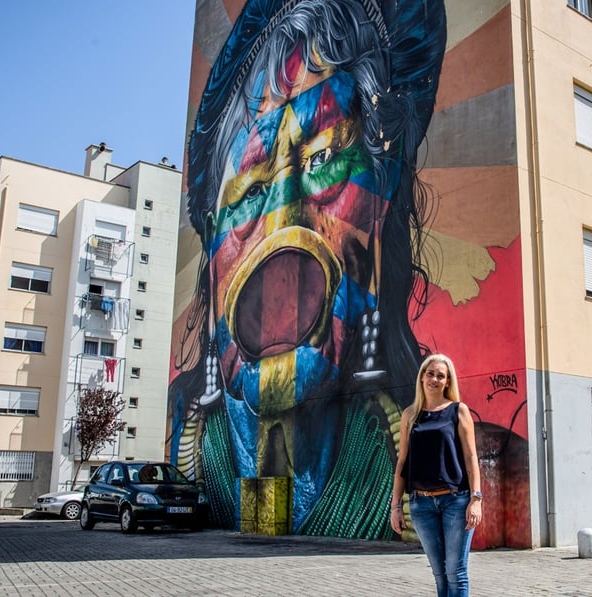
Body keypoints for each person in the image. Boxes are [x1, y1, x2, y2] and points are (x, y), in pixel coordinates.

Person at [167, 0, 448, 537]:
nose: (283, 227)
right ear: (212, 263)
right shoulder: (187, 440)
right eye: (250, 192)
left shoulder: (434, 426)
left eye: (322, 161)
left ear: (380, 200)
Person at [391, 354, 482, 596]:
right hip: (421, 505)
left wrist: (476, 499)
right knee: (440, 574)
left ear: (448, 381)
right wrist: (396, 506)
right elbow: (402, 463)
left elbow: (471, 457)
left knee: (456, 573)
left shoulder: (458, 411)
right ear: (422, 377)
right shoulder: (410, 415)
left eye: (441, 376)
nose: (434, 379)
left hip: (456, 501)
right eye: (430, 373)